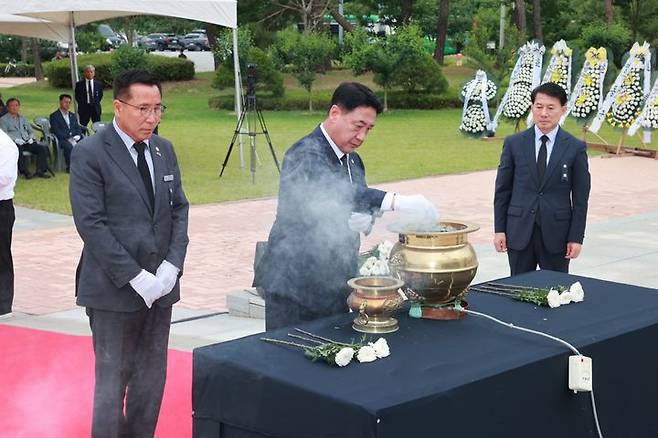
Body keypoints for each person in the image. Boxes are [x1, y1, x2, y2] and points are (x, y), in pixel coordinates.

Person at [254, 82, 438, 330]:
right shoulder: (304, 153)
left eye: (369, 129)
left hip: (337, 281)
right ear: (335, 113)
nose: (362, 137)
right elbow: (337, 193)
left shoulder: (354, 161)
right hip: (294, 285)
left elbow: (357, 200)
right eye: (358, 126)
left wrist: (366, 218)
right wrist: (397, 201)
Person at [69, 69, 189, 438]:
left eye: (158, 108)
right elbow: (92, 224)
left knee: (150, 380)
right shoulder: (91, 152)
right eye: (143, 109)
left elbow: (179, 209)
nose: (152, 118)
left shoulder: (163, 148)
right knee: (112, 382)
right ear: (118, 107)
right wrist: (137, 277)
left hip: (161, 288)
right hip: (114, 290)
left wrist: (172, 265)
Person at [493, 82, 591, 275]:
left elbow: (580, 199)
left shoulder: (575, 147)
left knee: (556, 291)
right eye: (539, 107)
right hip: (519, 231)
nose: (544, 113)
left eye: (550, 108)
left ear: (563, 110)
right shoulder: (514, 144)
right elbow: (502, 190)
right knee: (518, 289)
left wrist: (576, 237)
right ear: (532, 108)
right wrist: (499, 229)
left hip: (557, 234)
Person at [0, 98, 52, 179]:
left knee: (42, 148)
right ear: (7, 108)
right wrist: (15, 139)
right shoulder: (3, 120)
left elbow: (30, 131)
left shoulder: (23, 118)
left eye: (16, 105)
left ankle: (40, 171)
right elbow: (4, 134)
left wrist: (31, 137)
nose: (14, 107)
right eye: (12, 106)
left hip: (26, 141)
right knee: (17, 150)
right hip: (14, 143)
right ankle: (25, 171)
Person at [0, 129, 18, 320]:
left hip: (1, 207)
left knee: (1, 256)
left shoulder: (5, 144)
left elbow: (3, 178)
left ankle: (3, 305)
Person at [49, 94, 84, 172]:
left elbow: (77, 127)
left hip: (74, 137)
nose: (67, 104)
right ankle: (71, 167)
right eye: (65, 102)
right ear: (60, 102)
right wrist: (69, 136)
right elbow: (56, 130)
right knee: (69, 147)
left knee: (85, 144)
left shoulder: (73, 115)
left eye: (69, 102)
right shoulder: (54, 116)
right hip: (63, 139)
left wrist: (77, 135)